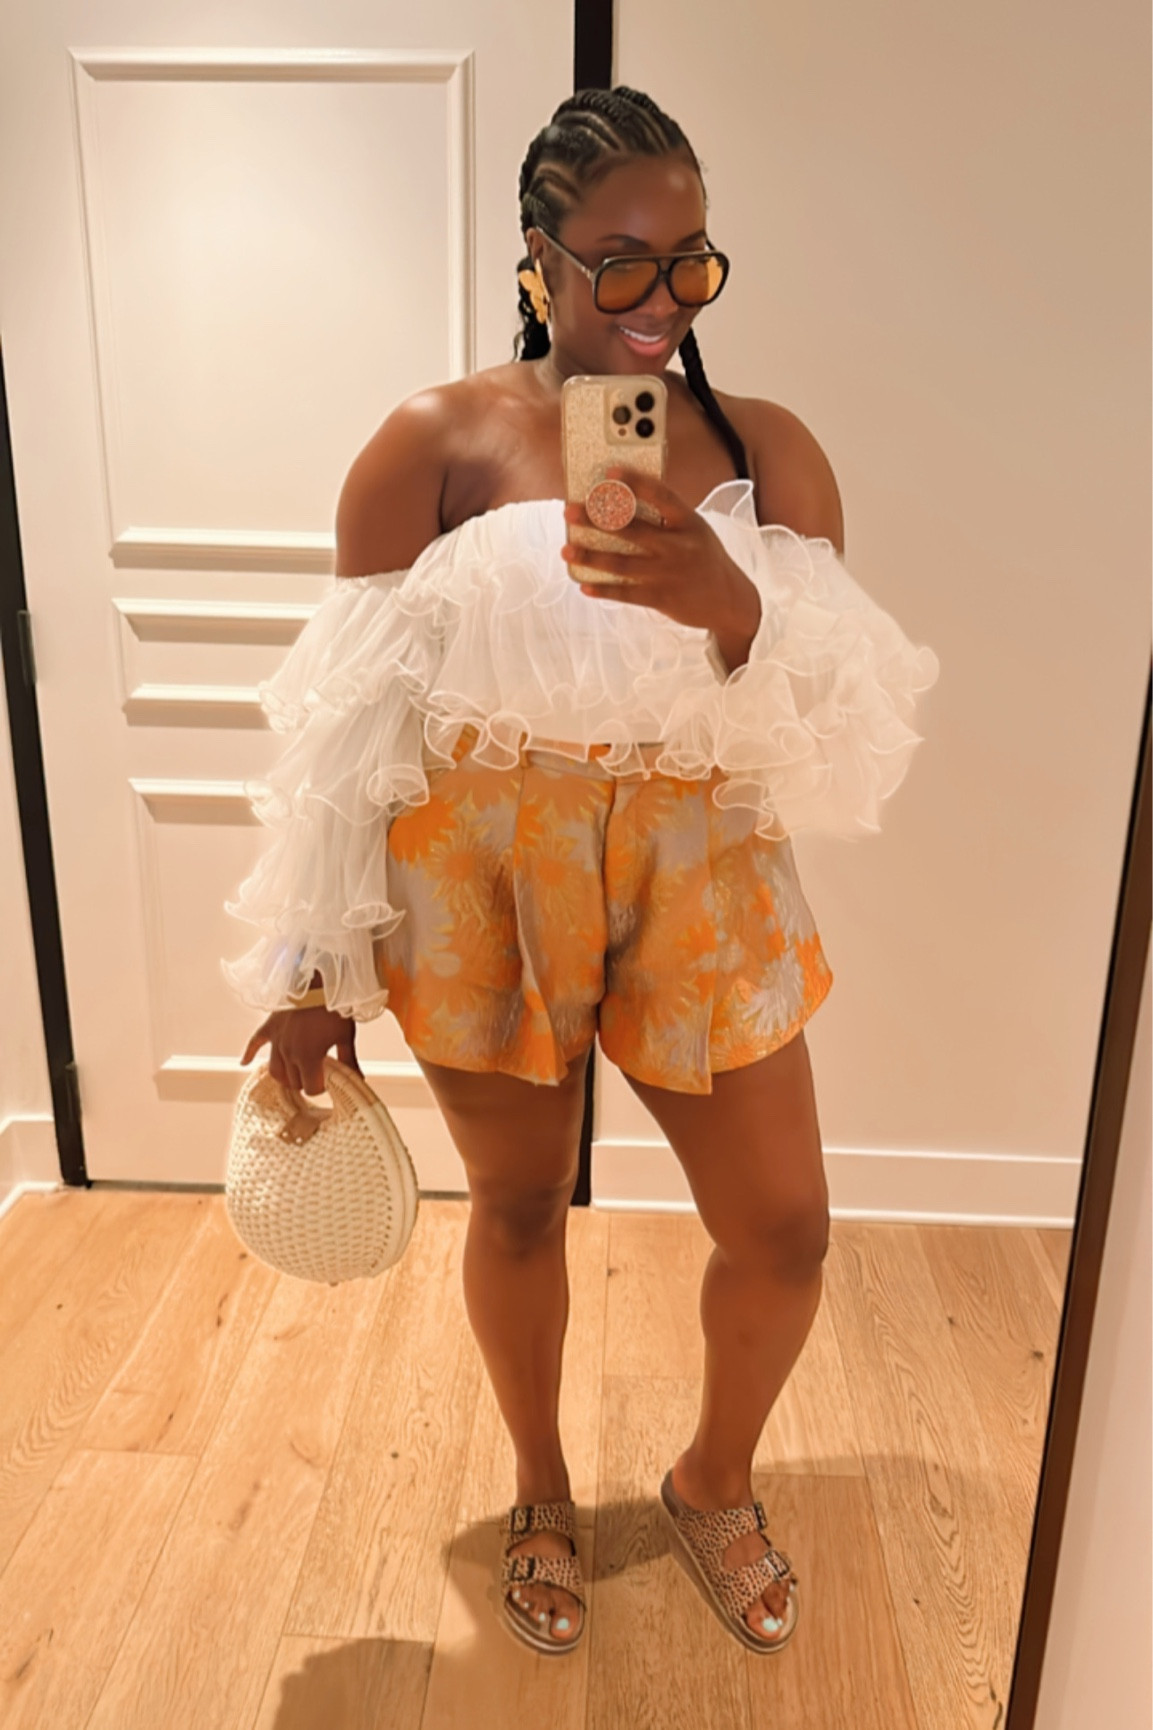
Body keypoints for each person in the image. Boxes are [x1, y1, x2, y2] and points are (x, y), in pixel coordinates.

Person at [225, 86, 940, 1657]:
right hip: (483, 860)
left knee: (784, 1227)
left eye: (689, 261)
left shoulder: (765, 451)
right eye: (618, 261)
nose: (659, 301)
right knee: (519, 1202)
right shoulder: (435, 442)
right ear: (538, 260)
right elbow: (350, 729)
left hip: (701, 858)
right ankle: (541, 1490)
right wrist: (311, 965)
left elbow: (844, 724)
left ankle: (709, 1480)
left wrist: (729, 603)